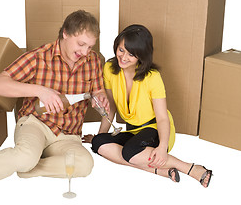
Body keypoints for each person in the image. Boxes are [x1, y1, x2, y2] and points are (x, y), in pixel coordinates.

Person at [0, 10, 109, 191]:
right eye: (81, 44)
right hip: (36, 124)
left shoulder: (92, 61)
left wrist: (101, 96)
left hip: (69, 136)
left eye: (89, 47)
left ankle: (28, 169)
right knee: (25, 157)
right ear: (65, 33)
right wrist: (40, 91)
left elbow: (98, 91)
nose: (85, 51)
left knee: (85, 164)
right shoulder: (39, 57)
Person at [83, 24, 213, 187]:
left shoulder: (152, 77)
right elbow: (111, 107)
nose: (123, 57)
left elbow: (162, 118)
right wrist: (100, 136)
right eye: (121, 50)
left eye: (131, 54)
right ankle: (160, 171)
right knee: (97, 145)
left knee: (129, 152)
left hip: (156, 128)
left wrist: (162, 146)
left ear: (141, 56)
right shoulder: (109, 69)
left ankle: (191, 168)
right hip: (133, 130)